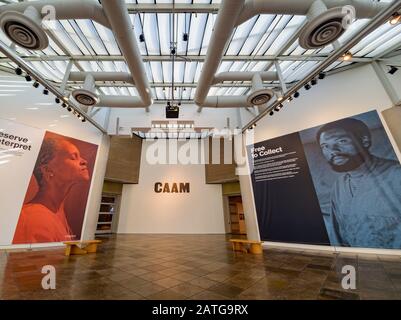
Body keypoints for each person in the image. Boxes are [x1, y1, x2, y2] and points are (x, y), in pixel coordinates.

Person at [317, 118, 401, 249]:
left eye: (341, 141)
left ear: (364, 141)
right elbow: (338, 234)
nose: (333, 150)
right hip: (362, 263)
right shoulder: (339, 186)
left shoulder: (396, 174)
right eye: (325, 146)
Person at [13, 136, 90, 244]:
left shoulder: (57, 212)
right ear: (47, 170)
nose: (84, 161)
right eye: (73, 157)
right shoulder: (32, 219)